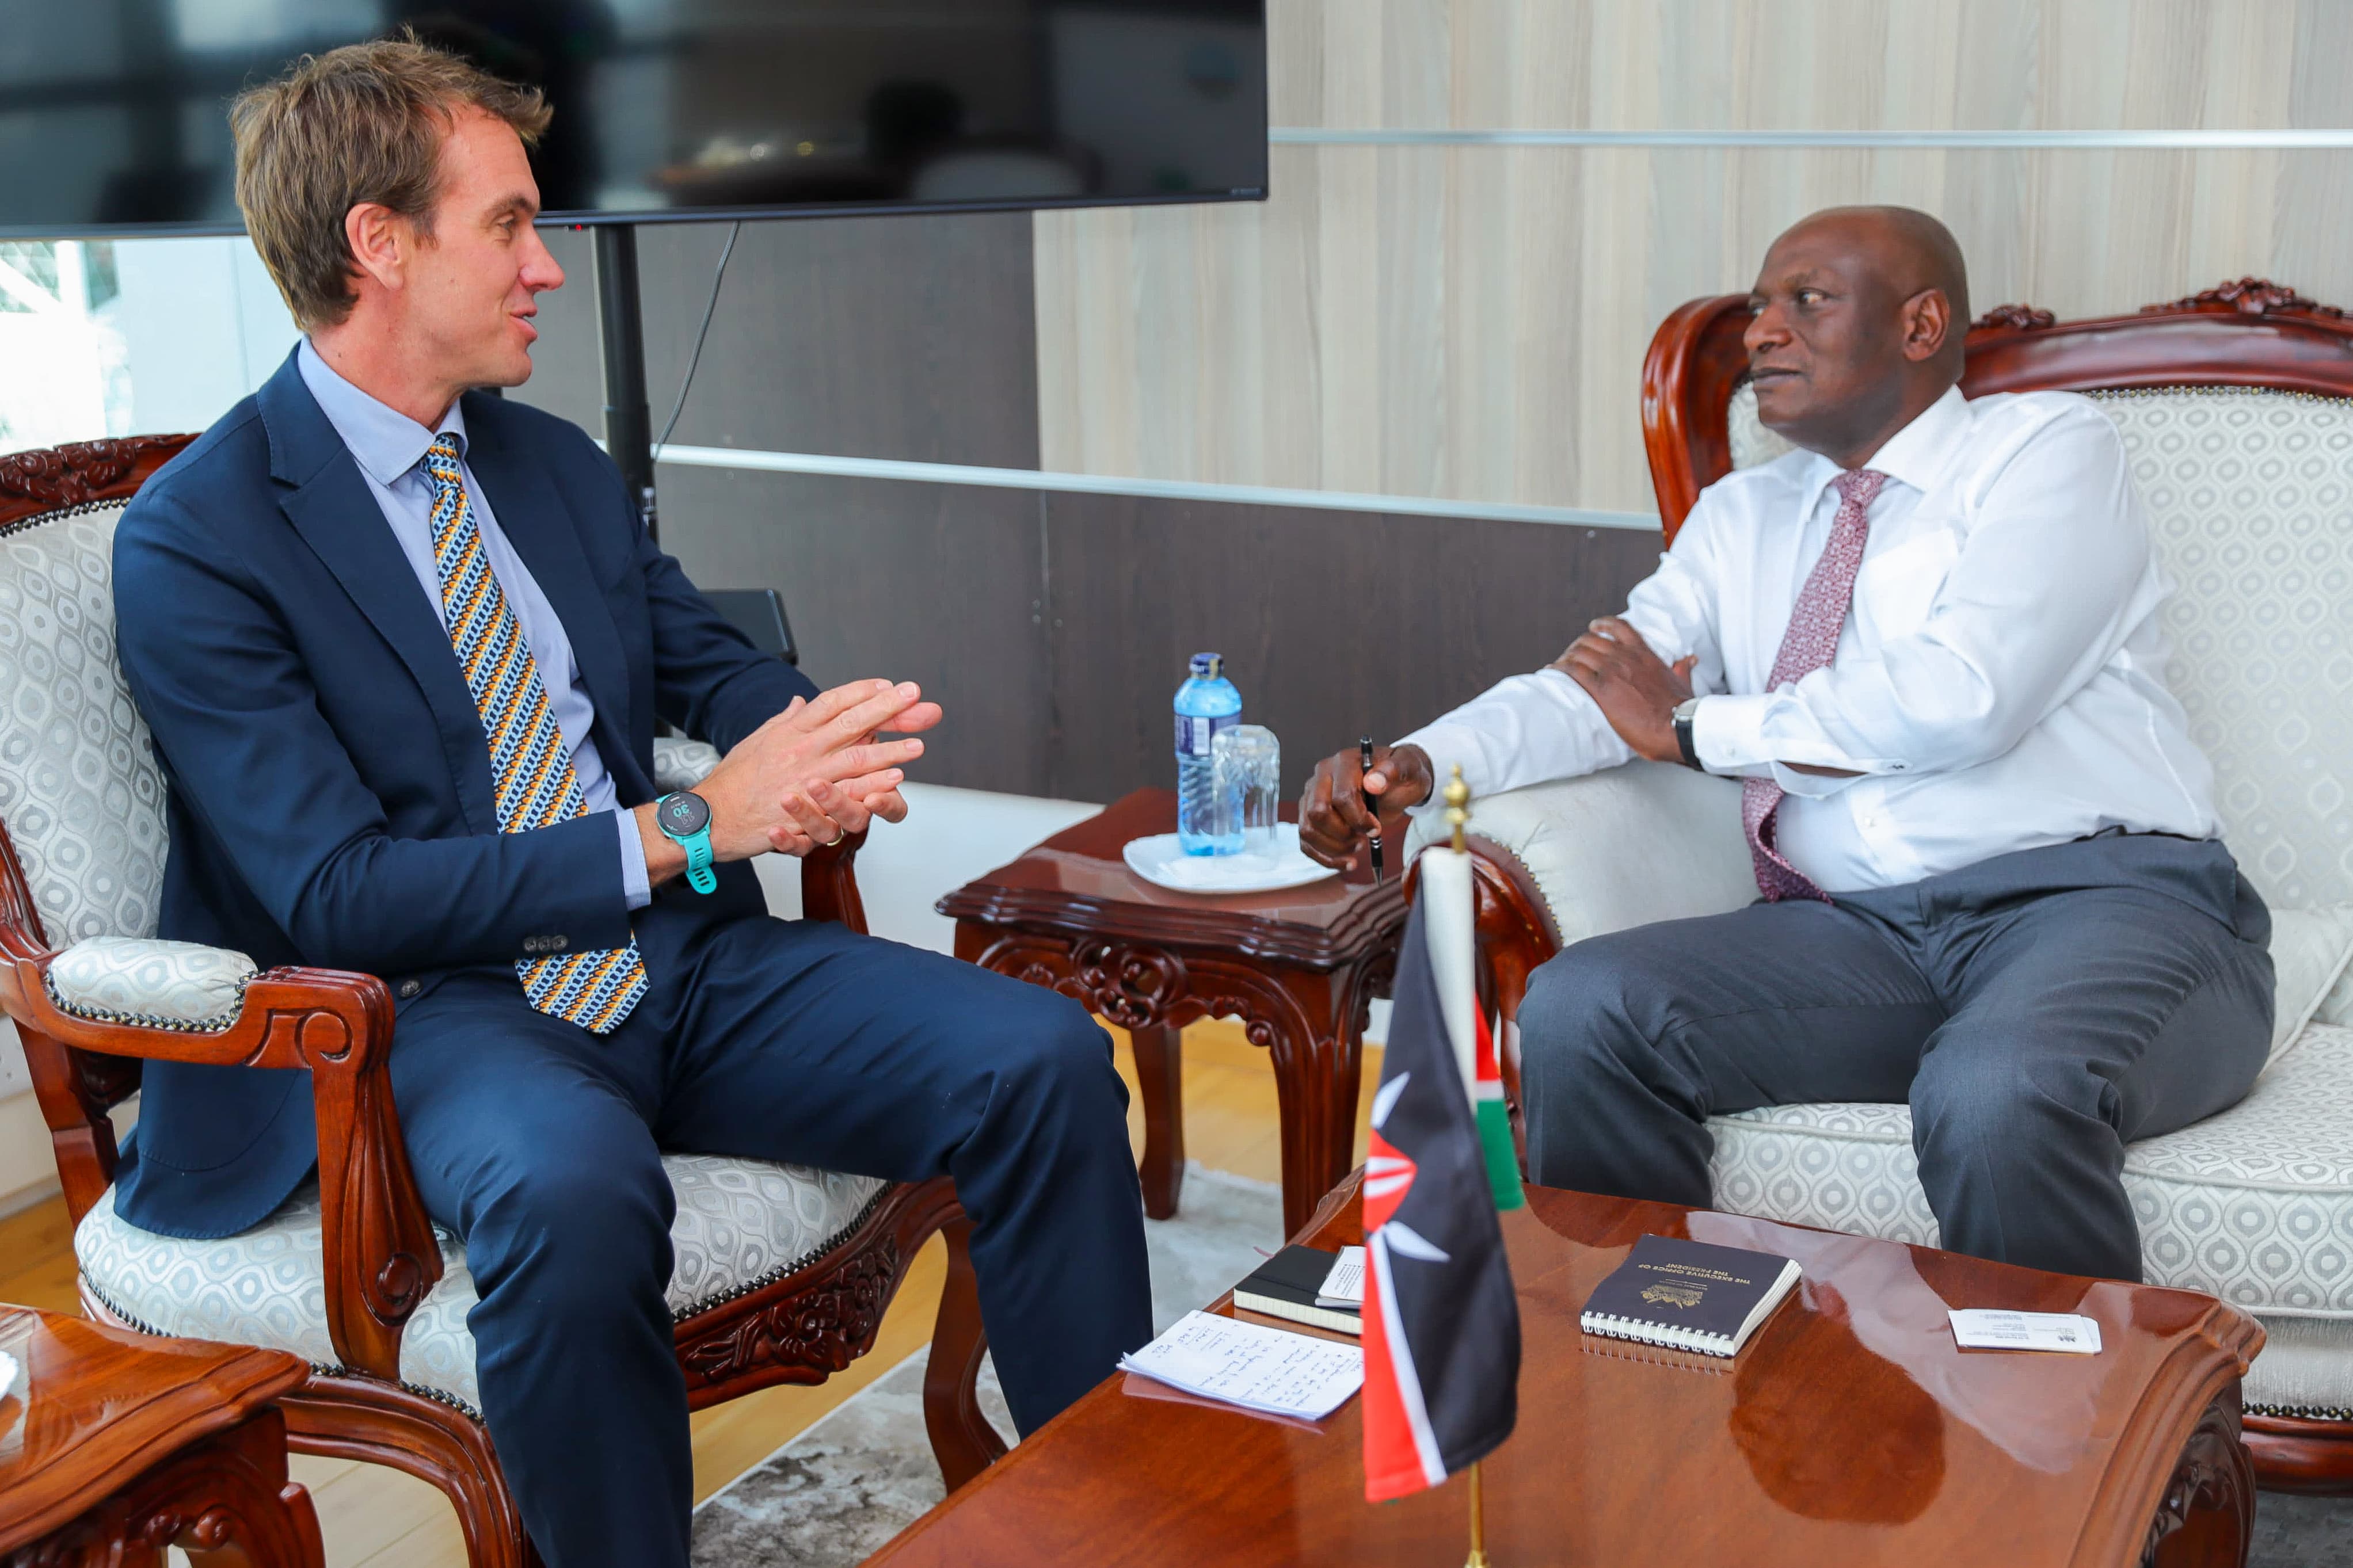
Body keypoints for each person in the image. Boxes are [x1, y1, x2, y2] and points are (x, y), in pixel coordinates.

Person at [111, 38, 1151, 1568]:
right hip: (422, 1010)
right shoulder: (198, 538)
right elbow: (335, 888)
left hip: (670, 956)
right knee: (572, 1189)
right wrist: (686, 826)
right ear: (378, 245)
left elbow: (693, 654)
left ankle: (1111, 1517)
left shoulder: (543, 463)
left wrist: (803, 734)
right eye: (511, 225)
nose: (548, 267)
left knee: (1045, 1057)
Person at [1300, 205, 2272, 1285]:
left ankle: (2072, 1448)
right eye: (1760, 304)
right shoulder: (1741, 516)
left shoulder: (2047, 453)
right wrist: (1420, 769)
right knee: (1586, 1009)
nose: (1762, 329)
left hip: (2110, 907)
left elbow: (1964, 696)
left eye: (1806, 301)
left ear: (1920, 325)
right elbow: (1598, 692)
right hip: (1863, 938)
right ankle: (1669, 1381)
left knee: (1996, 1090)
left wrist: (1690, 728)